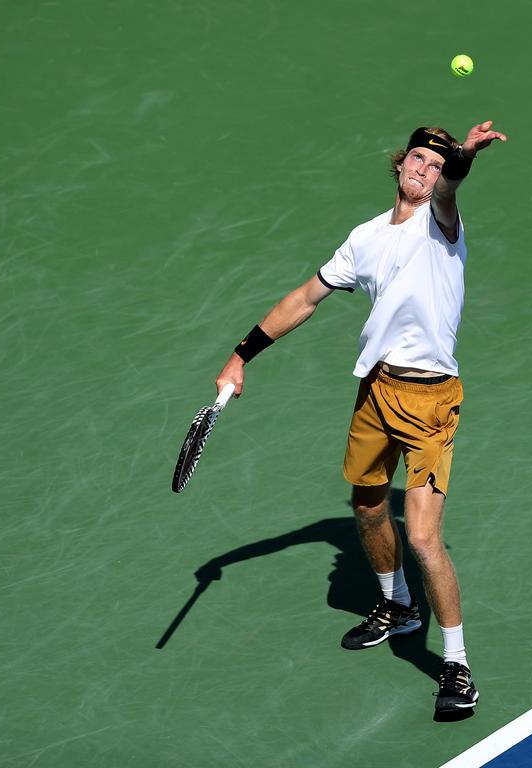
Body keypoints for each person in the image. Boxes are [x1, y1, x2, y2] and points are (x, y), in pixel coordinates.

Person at [215, 120, 507, 715]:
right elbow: (304, 299)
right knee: (369, 504)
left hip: (430, 402)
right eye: (420, 160)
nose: (427, 171)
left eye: (437, 164)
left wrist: (464, 159)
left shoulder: (441, 224)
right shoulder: (366, 238)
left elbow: (453, 188)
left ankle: (456, 666)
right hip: (375, 392)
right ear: (399, 166)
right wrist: (240, 355)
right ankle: (395, 603)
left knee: (424, 536)